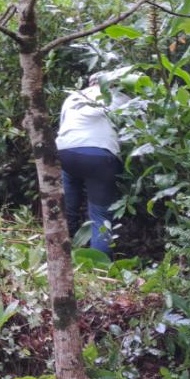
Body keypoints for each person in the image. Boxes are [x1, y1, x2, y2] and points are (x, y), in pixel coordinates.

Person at [55, 71, 131, 256]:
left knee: (67, 208)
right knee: (100, 216)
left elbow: (65, 126)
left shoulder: (73, 97)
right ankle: (99, 270)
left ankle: (61, 252)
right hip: (100, 156)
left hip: (66, 153)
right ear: (112, 84)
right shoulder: (120, 98)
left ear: (90, 84)